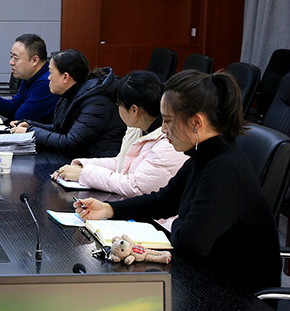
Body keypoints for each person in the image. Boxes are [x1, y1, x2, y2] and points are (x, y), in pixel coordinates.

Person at [74, 71, 279, 293]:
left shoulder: (224, 169)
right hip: (204, 276)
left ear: (196, 122)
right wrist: (110, 209)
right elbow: (163, 201)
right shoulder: (203, 157)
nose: (163, 129)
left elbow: (191, 242)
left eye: (169, 121)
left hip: (234, 293)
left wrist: (177, 222)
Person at [51, 71, 188, 228]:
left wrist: (84, 174)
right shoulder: (137, 128)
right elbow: (122, 163)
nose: (117, 109)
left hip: (158, 224)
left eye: (119, 105)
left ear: (134, 110)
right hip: (135, 211)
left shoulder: (168, 143)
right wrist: (82, 165)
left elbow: (135, 186)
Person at [11, 49, 125, 157]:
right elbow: (59, 128)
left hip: (95, 161)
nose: (49, 78)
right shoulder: (71, 93)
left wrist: (30, 131)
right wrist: (29, 125)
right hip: (79, 156)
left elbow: (70, 142)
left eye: (51, 72)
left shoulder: (96, 101)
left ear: (65, 77)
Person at [0, 33, 58, 123]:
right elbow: (13, 107)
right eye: (11, 57)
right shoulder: (30, 77)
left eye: (15, 58)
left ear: (34, 60)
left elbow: (21, 116)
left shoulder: (47, 83)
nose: (11, 62)